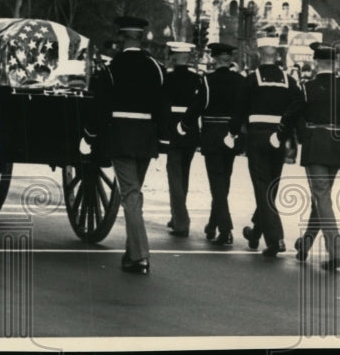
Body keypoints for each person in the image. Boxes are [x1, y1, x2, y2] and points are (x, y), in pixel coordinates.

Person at [85, 16, 168, 275]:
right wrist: (163, 139)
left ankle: (141, 256)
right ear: (141, 37)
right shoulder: (155, 67)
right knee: (134, 195)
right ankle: (132, 255)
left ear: (122, 38)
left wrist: (90, 135)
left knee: (131, 195)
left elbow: (100, 105)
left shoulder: (112, 68)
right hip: (146, 138)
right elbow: (163, 106)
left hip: (120, 136)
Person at [292, 43, 340, 270]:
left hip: (315, 144)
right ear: (336, 63)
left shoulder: (307, 87)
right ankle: (305, 243)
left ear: (316, 62)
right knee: (322, 197)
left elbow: (294, 114)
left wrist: (304, 135)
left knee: (321, 197)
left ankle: (338, 254)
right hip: (337, 144)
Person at [228, 35, 304, 258]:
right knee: (271, 186)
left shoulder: (252, 79)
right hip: (277, 138)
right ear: (277, 54)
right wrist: (286, 129)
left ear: (259, 54)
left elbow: (239, 108)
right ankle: (255, 232)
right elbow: (299, 104)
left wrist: (233, 132)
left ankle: (275, 238)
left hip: (257, 136)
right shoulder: (288, 80)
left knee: (262, 187)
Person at [179, 42, 245, 245]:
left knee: (217, 183)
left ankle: (225, 229)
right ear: (229, 59)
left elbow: (198, 106)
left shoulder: (207, 80)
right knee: (224, 181)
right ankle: (212, 224)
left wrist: (184, 124)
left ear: (214, 58)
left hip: (212, 134)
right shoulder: (240, 81)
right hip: (232, 135)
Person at [162, 41, 202, 238]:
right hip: (191, 130)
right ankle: (177, 215)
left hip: (172, 128)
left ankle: (180, 221)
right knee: (183, 175)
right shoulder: (197, 79)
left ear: (174, 57)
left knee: (175, 176)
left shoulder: (167, 79)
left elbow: (162, 104)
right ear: (187, 58)